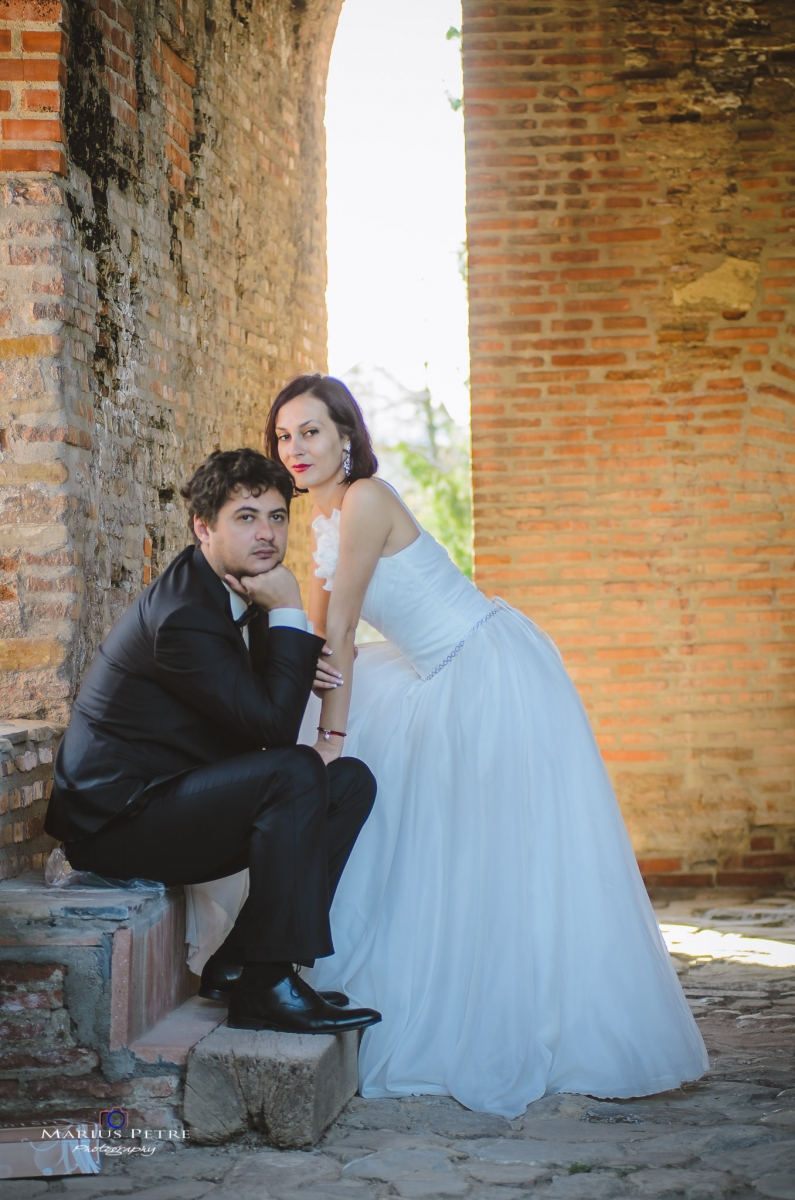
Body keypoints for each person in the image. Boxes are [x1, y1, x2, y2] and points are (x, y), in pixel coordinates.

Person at [256, 373, 708, 1118]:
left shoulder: (365, 498)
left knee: (497, 858)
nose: (295, 447)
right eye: (283, 435)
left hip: (483, 667)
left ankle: (547, 1021)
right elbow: (315, 637)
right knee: (419, 828)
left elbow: (339, 633)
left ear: (345, 435)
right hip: (431, 674)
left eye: (310, 431)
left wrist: (330, 742)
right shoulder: (324, 515)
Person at [44, 448, 381, 1037]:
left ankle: (240, 961)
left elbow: (251, 713)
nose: (266, 534)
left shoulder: (227, 587)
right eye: (246, 517)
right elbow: (273, 732)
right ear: (204, 527)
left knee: (349, 782)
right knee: (296, 770)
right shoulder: (185, 613)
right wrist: (292, 616)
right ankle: (270, 986)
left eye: (277, 517)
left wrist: (292, 652)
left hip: (169, 795)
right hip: (117, 824)